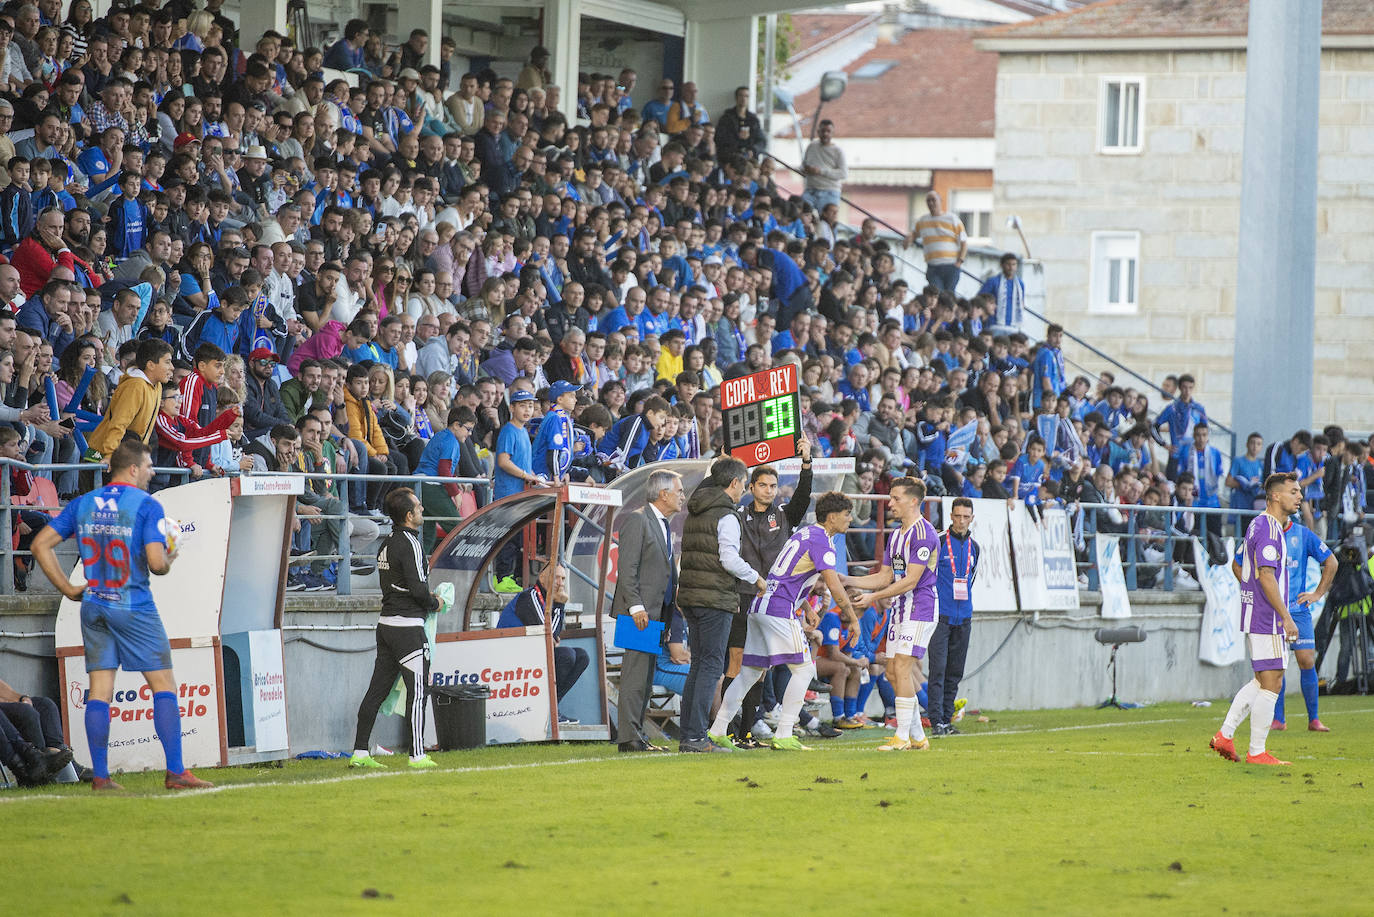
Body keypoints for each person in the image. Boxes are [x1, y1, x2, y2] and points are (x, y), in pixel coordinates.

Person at [29, 440, 214, 791]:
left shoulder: (84, 503)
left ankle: (101, 777)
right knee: (163, 685)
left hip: (94, 603)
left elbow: (40, 545)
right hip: (133, 605)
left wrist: (70, 590)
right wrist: (171, 558)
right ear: (132, 469)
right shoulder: (147, 506)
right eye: (148, 466)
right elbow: (157, 565)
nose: (153, 471)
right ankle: (176, 772)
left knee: (100, 688)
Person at [708, 491, 860, 752]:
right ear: (832, 517)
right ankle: (785, 732)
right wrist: (853, 618)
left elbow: (786, 573)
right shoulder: (822, 539)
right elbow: (833, 583)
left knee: (749, 673)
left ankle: (718, 730)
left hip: (760, 604)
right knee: (803, 670)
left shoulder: (804, 533)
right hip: (778, 608)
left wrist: (804, 605)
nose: (851, 519)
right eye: (847, 515)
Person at [1210, 472, 1304, 767]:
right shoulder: (1270, 530)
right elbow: (1264, 575)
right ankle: (1257, 752)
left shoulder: (1257, 525)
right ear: (1276, 496)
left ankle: (1225, 735)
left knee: (1263, 678)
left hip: (1257, 613)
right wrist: (1284, 616)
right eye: (1293, 491)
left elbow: (1239, 565)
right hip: (1268, 617)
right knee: (1273, 681)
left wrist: (1250, 595)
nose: (1299, 497)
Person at [727, 439, 816, 746]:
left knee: (759, 669)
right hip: (743, 595)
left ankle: (747, 731)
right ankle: (729, 729)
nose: (768, 489)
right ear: (750, 487)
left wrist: (806, 463)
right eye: (762, 484)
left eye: (773, 485)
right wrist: (724, 462)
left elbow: (803, 498)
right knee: (737, 661)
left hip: (773, 600)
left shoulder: (784, 515)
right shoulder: (736, 515)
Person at [676, 457, 765, 753]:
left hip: (691, 596)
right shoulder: (726, 515)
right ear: (735, 483)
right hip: (714, 598)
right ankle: (696, 737)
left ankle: (689, 734)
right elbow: (728, 559)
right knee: (711, 667)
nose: (744, 492)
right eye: (744, 483)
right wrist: (756, 578)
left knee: (699, 666)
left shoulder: (698, 508)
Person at [845, 476, 940, 751]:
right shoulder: (897, 534)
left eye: (896, 498)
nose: (890, 503)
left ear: (913, 501)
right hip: (900, 609)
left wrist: (873, 597)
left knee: (901, 666)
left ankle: (901, 736)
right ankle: (919, 737)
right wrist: (848, 579)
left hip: (920, 608)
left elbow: (910, 580)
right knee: (892, 673)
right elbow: (885, 576)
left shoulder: (924, 535)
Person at [349, 488, 441, 771]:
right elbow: (418, 590)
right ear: (409, 515)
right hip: (407, 628)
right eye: (418, 506)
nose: (423, 508)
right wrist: (436, 602)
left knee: (376, 691)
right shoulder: (410, 543)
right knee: (418, 692)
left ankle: (360, 752)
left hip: (386, 624)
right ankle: (416, 754)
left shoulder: (386, 542)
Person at [1231, 515, 1336, 733]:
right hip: (1271, 610)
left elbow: (1331, 562)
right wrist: (1254, 590)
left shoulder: (1303, 534)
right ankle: (1278, 719)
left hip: (1297, 610)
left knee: (1306, 660)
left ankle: (1313, 719)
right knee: (1277, 665)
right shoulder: (1261, 531)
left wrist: (1317, 593)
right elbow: (1237, 564)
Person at [610, 469, 683, 753]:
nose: (682, 497)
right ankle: (629, 738)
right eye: (679, 491)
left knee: (645, 677)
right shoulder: (638, 520)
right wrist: (637, 606)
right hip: (638, 613)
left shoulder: (662, 523)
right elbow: (627, 569)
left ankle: (637, 734)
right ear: (663, 494)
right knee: (635, 677)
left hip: (656, 614)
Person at [499, 564, 587, 723]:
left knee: (582, 656)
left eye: (563, 579)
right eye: (556, 577)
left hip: (529, 654)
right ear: (542, 577)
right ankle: (549, 710)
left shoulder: (548, 600)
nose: (560, 583)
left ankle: (552, 708)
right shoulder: (530, 596)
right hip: (510, 658)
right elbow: (550, 635)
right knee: (567, 655)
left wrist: (557, 608)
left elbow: (553, 635)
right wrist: (560, 604)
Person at [929, 497, 979, 736]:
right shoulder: (938, 542)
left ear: (972, 519)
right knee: (938, 670)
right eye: (957, 516)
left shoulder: (975, 548)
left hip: (964, 617)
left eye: (965, 517)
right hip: (941, 617)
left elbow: (971, 579)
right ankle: (936, 721)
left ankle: (946, 720)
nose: (960, 521)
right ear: (950, 516)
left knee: (954, 672)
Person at [491, 389, 541, 592]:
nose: (527, 409)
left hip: (521, 494)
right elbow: (503, 461)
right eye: (522, 405)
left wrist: (535, 477)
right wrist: (525, 475)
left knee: (519, 538)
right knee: (508, 538)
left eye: (530, 405)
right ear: (512, 408)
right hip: (508, 493)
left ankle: (512, 577)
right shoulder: (509, 430)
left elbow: (524, 466)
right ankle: (502, 578)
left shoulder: (522, 432)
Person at [905, 191, 966, 292]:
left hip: (951, 265)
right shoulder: (922, 221)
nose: (931, 203)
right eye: (928, 200)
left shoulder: (952, 218)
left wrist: (960, 261)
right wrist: (908, 238)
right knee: (936, 295)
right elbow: (913, 234)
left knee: (948, 297)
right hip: (933, 267)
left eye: (933, 200)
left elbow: (964, 242)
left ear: (940, 201)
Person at [801, 119, 847, 213]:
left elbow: (843, 173)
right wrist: (806, 169)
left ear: (832, 133)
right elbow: (803, 165)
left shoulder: (838, 151)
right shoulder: (811, 146)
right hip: (810, 190)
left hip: (830, 192)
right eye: (823, 131)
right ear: (818, 132)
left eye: (828, 131)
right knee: (803, 215)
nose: (825, 134)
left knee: (826, 221)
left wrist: (820, 171)